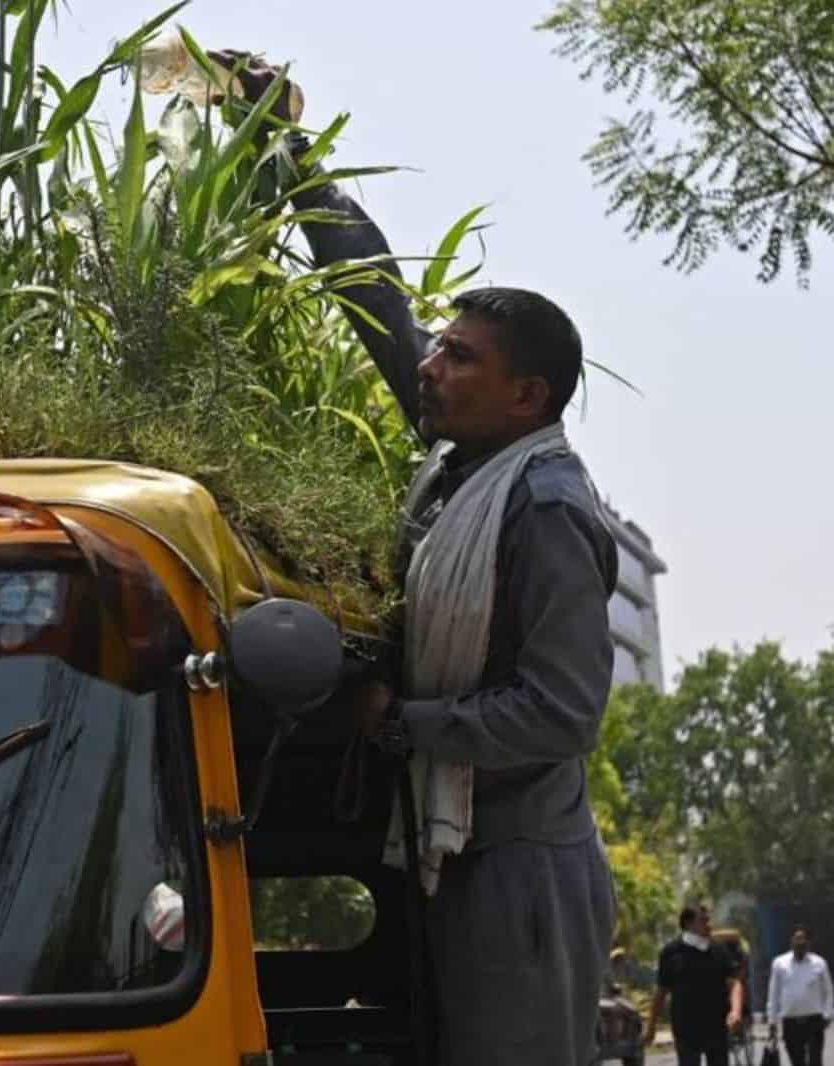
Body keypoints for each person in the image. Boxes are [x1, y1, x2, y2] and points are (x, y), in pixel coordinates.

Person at [216, 55, 619, 1066]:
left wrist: (404, 724)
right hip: (449, 849)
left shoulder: (546, 507)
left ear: (528, 396)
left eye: (459, 357)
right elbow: (377, 301)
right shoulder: (457, 458)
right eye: (438, 351)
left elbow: (562, 712)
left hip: (519, 868)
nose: (430, 366)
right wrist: (288, 152)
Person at [648, 904, 745, 1066]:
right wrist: (651, 1027)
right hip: (685, 1029)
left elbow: (734, 983)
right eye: (703, 921)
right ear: (688, 924)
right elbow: (661, 991)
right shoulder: (671, 952)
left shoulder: (718, 950)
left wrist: (736, 1011)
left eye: (709, 920)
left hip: (716, 1027)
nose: (709, 925)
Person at [768, 925, 834, 1066]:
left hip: (814, 1021)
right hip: (790, 1023)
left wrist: (828, 1014)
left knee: (815, 1061)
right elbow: (773, 993)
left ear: (808, 943)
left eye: (803, 939)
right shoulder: (779, 963)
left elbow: (829, 991)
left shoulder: (819, 963)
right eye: (797, 939)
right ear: (791, 941)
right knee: (797, 1061)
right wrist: (772, 1021)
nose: (800, 942)